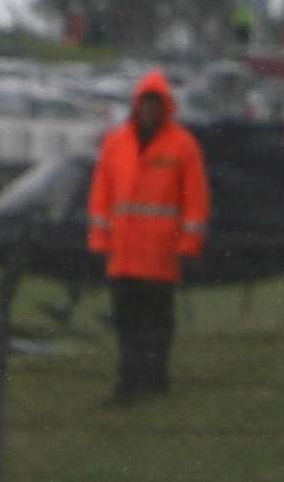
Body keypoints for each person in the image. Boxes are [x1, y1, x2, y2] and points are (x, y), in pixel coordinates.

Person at [86, 70, 210, 404]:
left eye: (156, 104)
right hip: (124, 255)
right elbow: (101, 196)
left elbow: (195, 199)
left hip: (160, 256)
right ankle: (129, 383)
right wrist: (100, 240)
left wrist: (189, 244)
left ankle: (154, 382)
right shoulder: (115, 143)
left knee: (156, 324)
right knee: (127, 325)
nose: (150, 110)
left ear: (166, 106)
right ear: (136, 105)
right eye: (145, 103)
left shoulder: (183, 145)